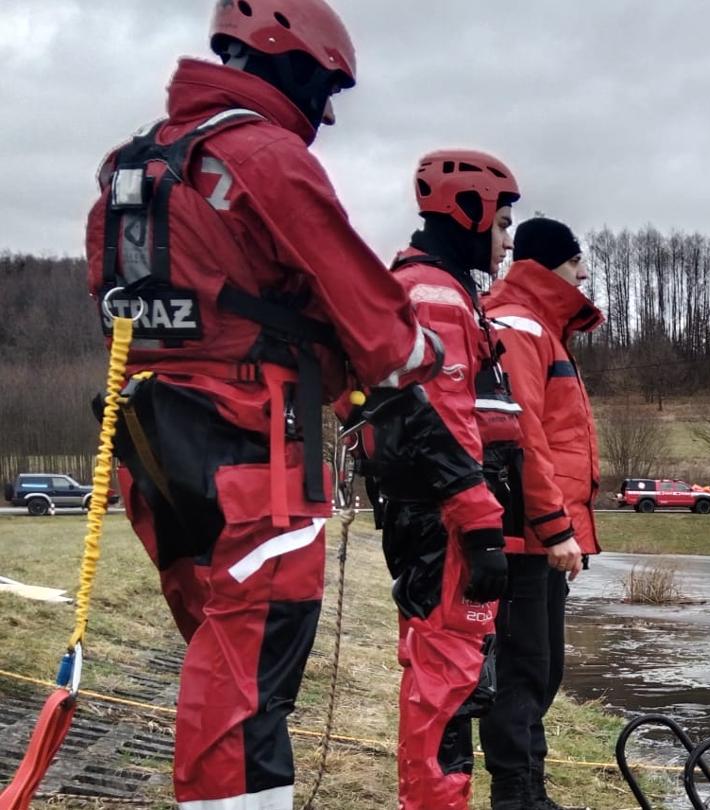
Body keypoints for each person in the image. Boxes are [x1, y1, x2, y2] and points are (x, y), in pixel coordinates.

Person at [83, 1, 439, 806]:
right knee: (249, 676)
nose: (330, 109)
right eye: (329, 87)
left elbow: (136, 300)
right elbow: (382, 327)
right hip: (251, 446)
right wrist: (421, 357)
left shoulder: (133, 166)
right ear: (294, 62)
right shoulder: (265, 156)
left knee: (220, 648)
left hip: (150, 437)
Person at [364, 148, 522, 808]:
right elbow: (441, 419)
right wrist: (482, 526)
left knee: (450, 681)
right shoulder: (434, 296)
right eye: (504, 224)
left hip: (438, 512)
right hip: (446, 519)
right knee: (446, 685)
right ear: (471, 212)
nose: (507, 241)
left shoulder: (445, 291)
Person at [478, 218, 605, 809]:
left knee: (542, 669)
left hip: (541, 534)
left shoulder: (544, 329)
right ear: (549, 264)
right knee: (524, 671)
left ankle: (531, 791)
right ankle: (517, 796)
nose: (584, 274)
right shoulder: (520, 326)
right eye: (577, 261)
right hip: (524, 536)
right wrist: (556, 529)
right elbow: (522, 436)